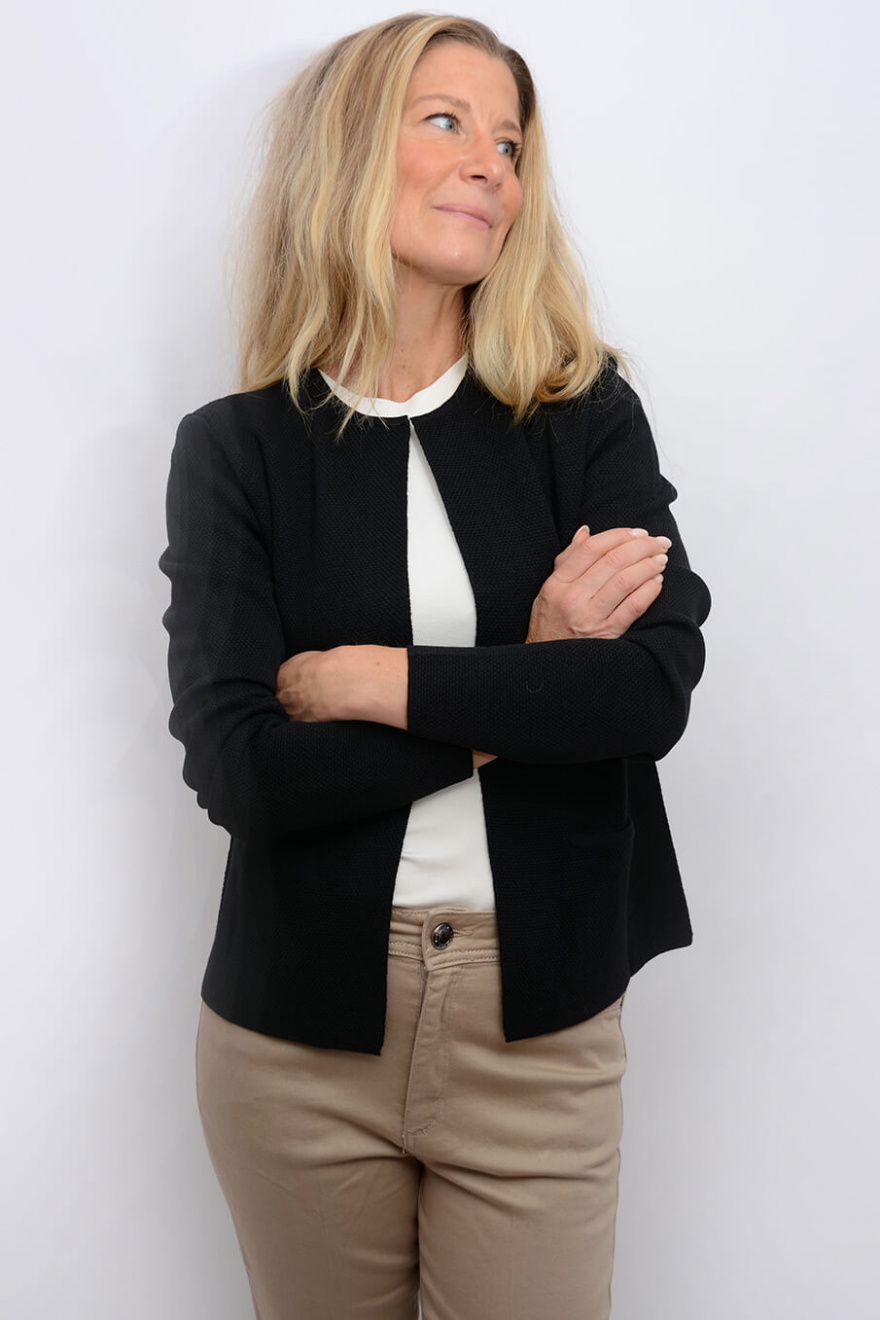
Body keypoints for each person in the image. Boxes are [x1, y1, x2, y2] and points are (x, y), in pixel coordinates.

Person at [159, 13, 710, 1320]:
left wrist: (367, 680)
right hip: (293, 1044)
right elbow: (246, 774)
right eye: (448, 123)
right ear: (351, 153)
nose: (489, 167)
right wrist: (532, 677)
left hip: (541, 1028)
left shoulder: (582, 413)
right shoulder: (234, 451)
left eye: (509, 145)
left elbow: (646, 691)